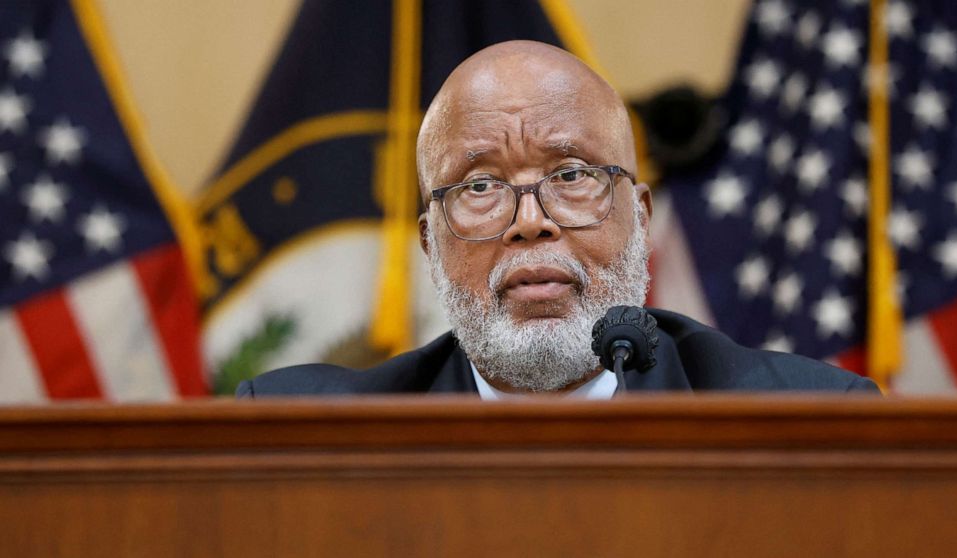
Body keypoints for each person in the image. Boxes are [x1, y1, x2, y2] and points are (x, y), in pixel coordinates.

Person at [237, 40, 878, 399]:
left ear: (641, 218)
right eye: (481, 184)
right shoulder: (307, 434)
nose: (530, 223)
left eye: (571, 176)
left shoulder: (801, 420)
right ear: (430, 244)